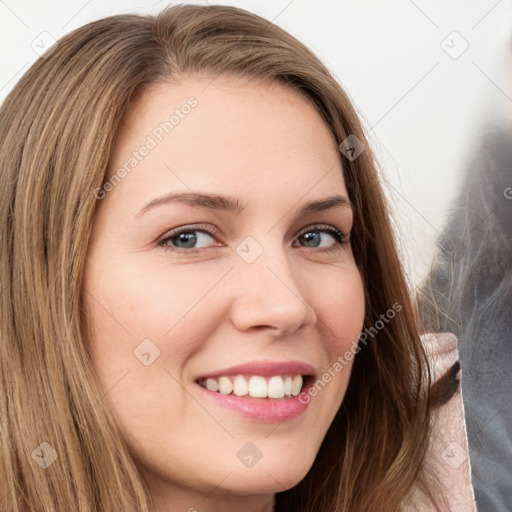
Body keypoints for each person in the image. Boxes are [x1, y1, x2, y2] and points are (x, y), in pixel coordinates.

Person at [0, 4, 475, 511]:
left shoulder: (471, 462)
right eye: (188, 238)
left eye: (316, 236)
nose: (285, 306)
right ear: (37, 282)